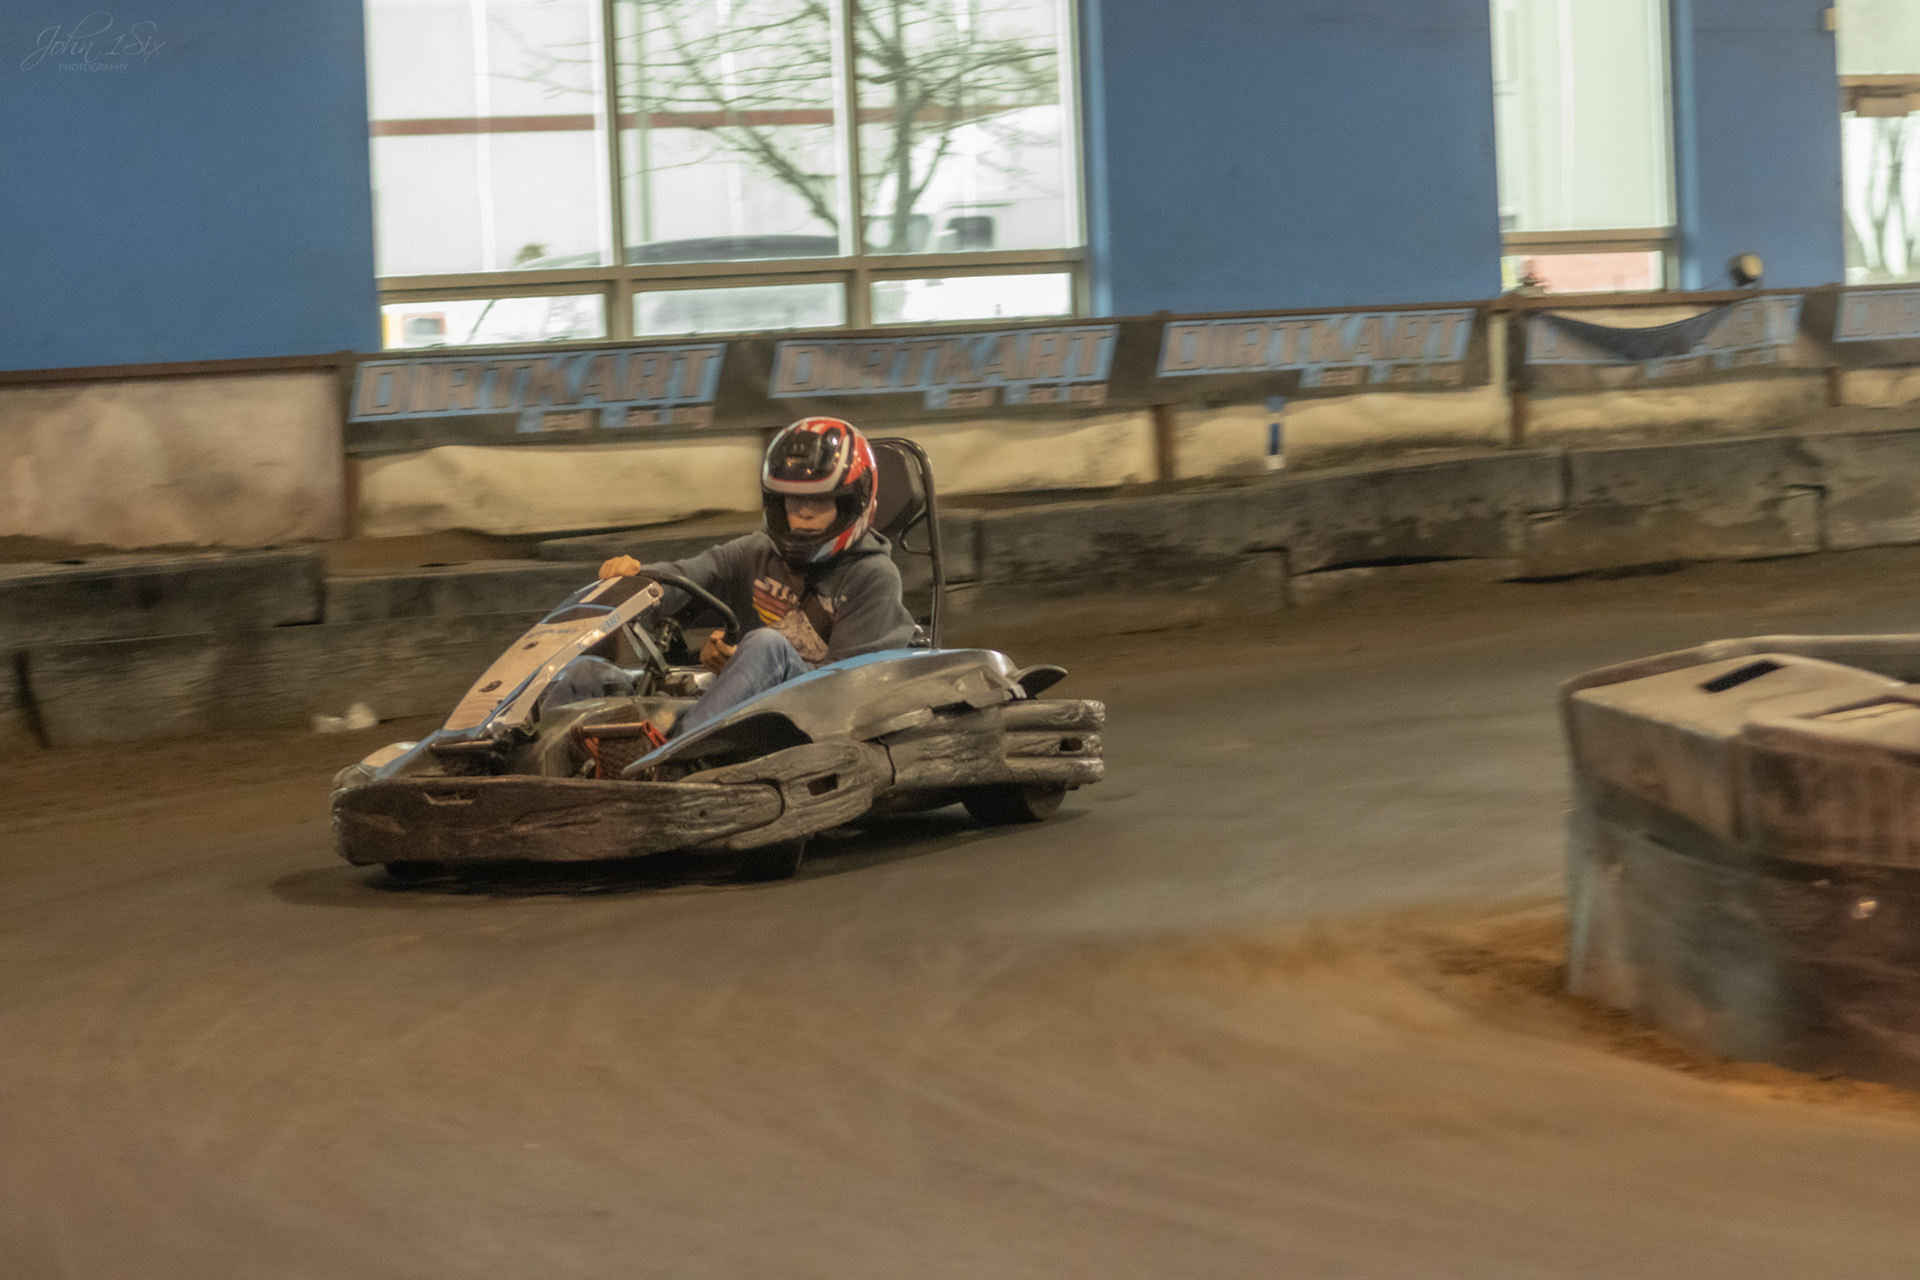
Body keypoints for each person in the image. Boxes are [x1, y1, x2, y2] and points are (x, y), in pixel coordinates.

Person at [539, 417, 916, 740]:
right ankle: (531, 754)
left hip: (805, 723)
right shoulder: (754, 553)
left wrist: (748, 664)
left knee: (767, 646)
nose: (802, 512)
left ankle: (669, 761)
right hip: (725, 713)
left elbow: (848, 689)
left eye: (819, 500)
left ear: (851, 504)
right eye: (791, 499)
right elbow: (683, 579)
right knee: (586, 673)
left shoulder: (873, 577)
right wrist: (632, 582)